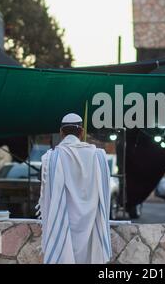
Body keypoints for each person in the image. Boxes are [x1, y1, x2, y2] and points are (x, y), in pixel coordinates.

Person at [37, 113, 112, 264]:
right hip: (91, 222)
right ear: (82, 132)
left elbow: (47, 193)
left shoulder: (52, 158)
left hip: (65, 221)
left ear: (61, 132)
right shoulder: (98, 156)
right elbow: (105, 194)